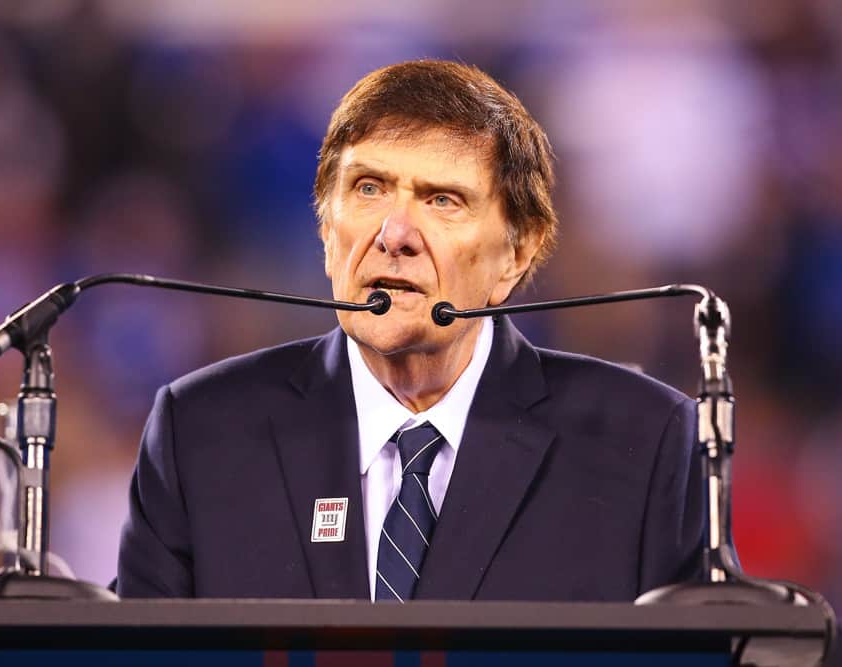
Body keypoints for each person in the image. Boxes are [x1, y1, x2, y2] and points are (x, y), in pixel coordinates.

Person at [116, 60, 704, 601]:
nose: (395, 232)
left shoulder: (641, 443)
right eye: (368, 189)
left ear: (515, 255)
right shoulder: (200, 432)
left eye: (442, 199)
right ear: (326, 231)